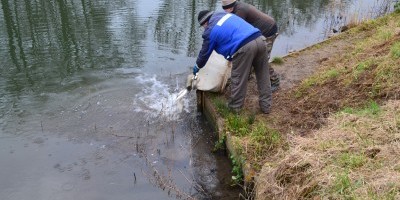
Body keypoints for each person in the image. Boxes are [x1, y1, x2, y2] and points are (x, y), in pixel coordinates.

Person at [193, 10, 271, 114]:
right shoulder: (224, 15)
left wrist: (198, 66)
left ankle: (235, 108)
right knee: (263, 75)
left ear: (205, 23)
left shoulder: (209, 30)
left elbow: (204, 53)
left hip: (244, 47)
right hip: (260, 39)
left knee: (238, 78)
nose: (204, 28)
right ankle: (266, 106)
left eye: (203, 26)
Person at [221, 0, 280, 92]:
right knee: (250, 54)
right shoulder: (237, 8)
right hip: (260, 31)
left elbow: (236, 29)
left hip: (268, 31)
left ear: (230, 7)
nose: (225, 12)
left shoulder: (240, 11)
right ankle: (247, 75)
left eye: (225, 9)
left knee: (261, 59)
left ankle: (275, 80)